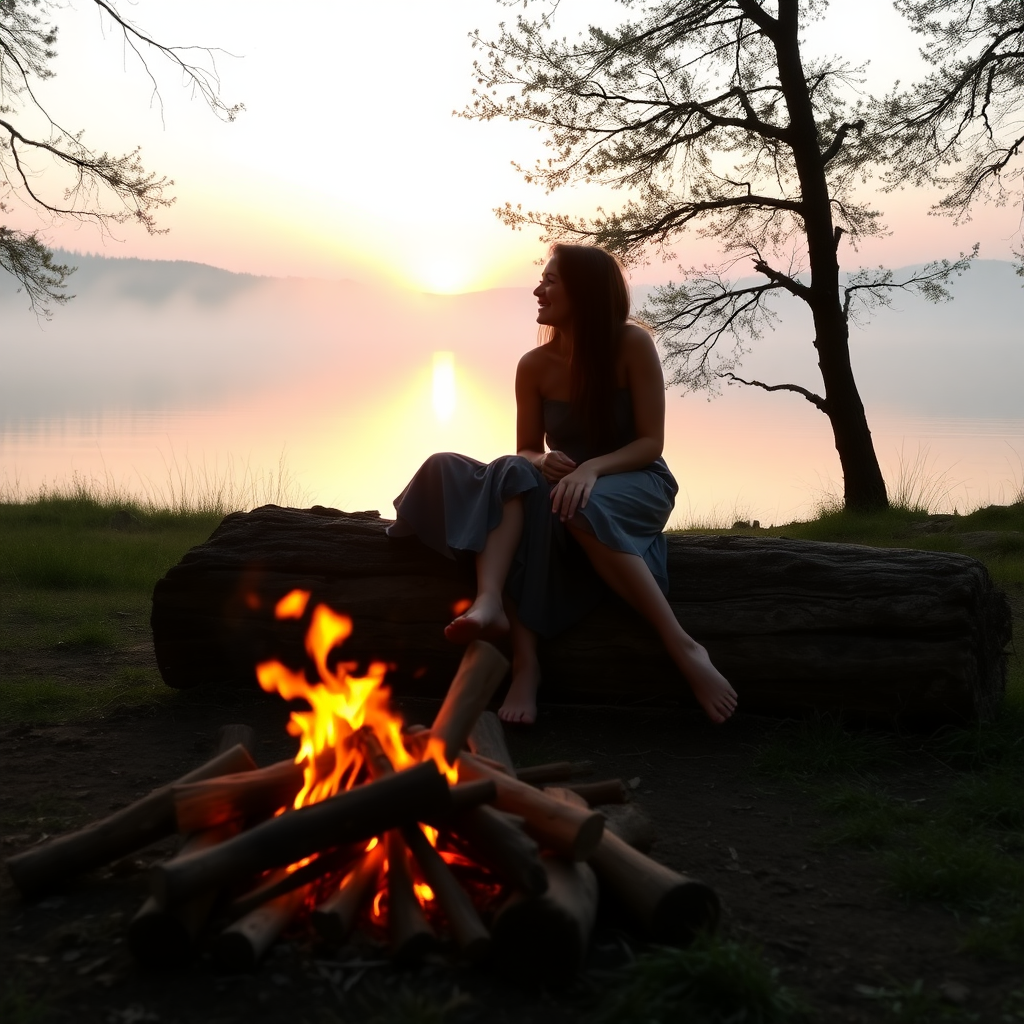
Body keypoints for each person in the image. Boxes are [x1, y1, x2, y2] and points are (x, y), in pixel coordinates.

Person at [387, 244, 737, 725]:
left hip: (634, 480)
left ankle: (684, 646)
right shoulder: (533, 365)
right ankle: (503, 626)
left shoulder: (633, 345)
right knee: (502, 472)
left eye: (551, 281)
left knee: (572, 503)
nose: (538, 289)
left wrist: (590, 469)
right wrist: (544, 460)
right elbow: (527, 448)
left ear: (586, 290)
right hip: (559, 491)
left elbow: (650, 443)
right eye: (541, 280)